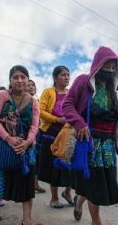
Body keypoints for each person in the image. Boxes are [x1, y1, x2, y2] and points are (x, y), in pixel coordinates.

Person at [63, 46, 118, 224]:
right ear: (98, 65)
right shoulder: (83, 81)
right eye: (108, 65)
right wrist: (80, 122)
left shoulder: (115, 90)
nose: (111, 69)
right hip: (89, 144)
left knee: (97, 187)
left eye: (114, 67)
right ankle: (96, 222)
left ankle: (78, 201)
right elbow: (67, 105)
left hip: (107, 147)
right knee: (95, 187)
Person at [0, 65, 41, 225]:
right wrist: (8, 139)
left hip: (26, 147)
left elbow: (34, 125)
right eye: (15, 77)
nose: (19, 80)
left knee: (27, 180)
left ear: (28, 80)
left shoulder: (33, 101)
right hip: (3, 145)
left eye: (23, 77)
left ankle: (27, 218)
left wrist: (27, 142)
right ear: (10, 80)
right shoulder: (2, 95)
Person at [37, 66, 73, 208]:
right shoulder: (48, 92)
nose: (66, 77)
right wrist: (57, 119)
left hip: (68, 134)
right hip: (51, 134)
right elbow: (40, 110)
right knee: (54, 167)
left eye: (68, 74)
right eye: (63, 75)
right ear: (55, 78)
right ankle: (54, 198)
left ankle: (68, 192)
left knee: (70, 166)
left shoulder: (71, 94)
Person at [28, 79, 46, 193]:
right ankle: (28, 185)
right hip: (28, 134)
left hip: (39, 134)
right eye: (28, 85)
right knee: (29, 160)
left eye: (33, 85)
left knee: (36, 161)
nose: (31, 87)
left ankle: (35, 184)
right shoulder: (23, 101)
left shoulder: (38, 101)